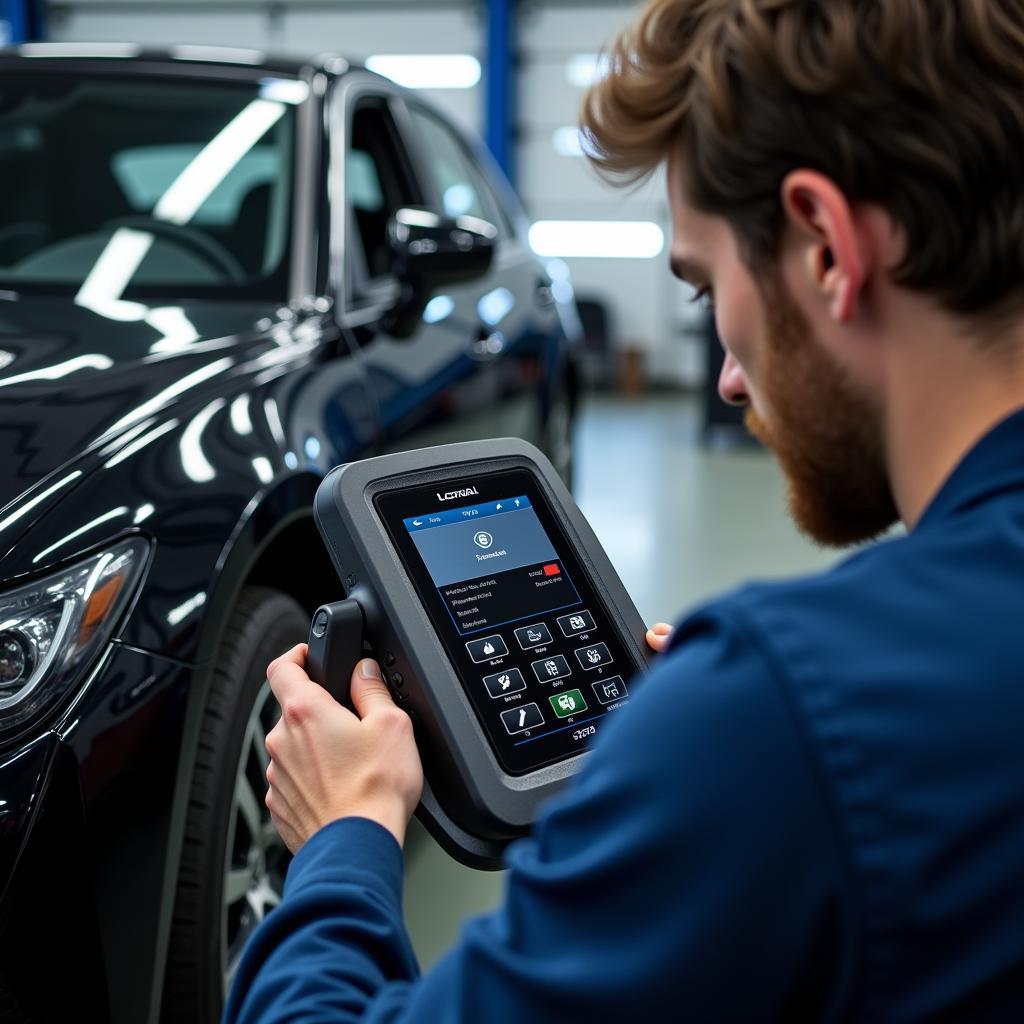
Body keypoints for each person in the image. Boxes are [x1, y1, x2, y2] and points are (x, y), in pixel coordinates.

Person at [225, 0, 1024, 1019]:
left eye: (705, 287)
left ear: (825, 246)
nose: (729, 379)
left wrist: (345, 836)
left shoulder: (781, 717)